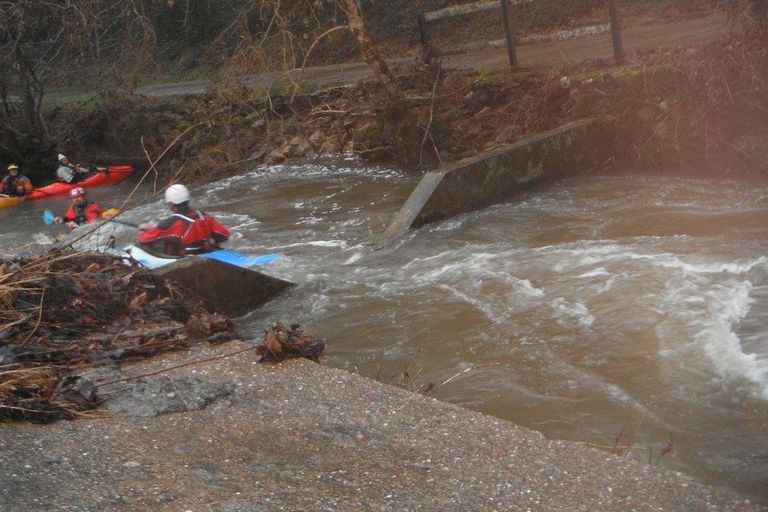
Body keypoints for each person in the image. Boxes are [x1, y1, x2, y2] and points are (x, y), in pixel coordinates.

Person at [138, 184, 230, 257]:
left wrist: (144, 229)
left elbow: (143, 239)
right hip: (205, 251)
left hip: (183, 256)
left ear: (170, 203)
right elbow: (224, 234)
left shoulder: (170, 222)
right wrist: (213, 240)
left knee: (152, 244)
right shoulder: (203, 216)